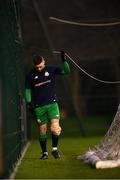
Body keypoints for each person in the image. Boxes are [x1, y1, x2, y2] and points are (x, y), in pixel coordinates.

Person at [25, 51, 70, 160]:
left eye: (40, 66)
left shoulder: (51, 69)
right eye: (37, 67)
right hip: (39, 107)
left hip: (52, 104)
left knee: (55, 128)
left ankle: (54, 150)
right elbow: (27, 90)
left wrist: (64, 61)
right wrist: (29, 103)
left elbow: (66, 71)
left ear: (44, 61)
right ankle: (44, 153)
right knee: (42, 130)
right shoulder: (30, 74)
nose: (39, 69)